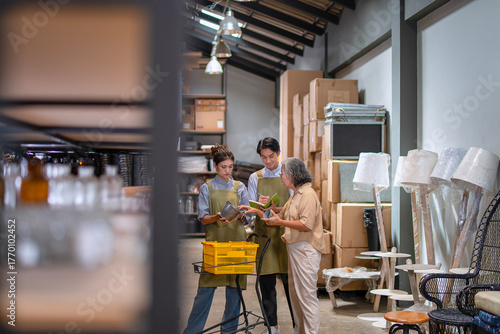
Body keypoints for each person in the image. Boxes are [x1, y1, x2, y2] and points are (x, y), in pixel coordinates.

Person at [240, 157, 325, 334]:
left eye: (283, 173)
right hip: (295, 249)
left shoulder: (307, 194)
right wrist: (267, 208)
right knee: (296, 296)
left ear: (293, 175)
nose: (281, 176)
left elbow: (306, 224)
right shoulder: (296, 194)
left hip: (305, 250)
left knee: (307, 297)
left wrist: (280, 223)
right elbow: (282, 211)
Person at [184, 144, 250, 334]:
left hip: (236, 243)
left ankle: (228, 331)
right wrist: (217, 217)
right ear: (215, 166)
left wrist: (241, 216)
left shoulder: (240, 187)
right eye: (223, 167)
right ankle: (192, 331)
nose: (227, 171)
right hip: (215, 245)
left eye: (230, 167)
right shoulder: (207, 188)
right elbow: (203, 218)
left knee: (234, 290)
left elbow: (248, 216)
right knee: (205, 290)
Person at [247, 137, 294, 334]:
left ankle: (298, 324)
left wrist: (276, 209)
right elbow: (251, 207)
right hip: (264, 235)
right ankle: (272, 326)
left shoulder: (289, 174)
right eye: (263, 157)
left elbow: (296, 207)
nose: (268, 161)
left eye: (271, 156)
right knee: (266, 284)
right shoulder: (255, 178)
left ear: (279, 153)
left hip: (286, 234)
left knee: (291, 284)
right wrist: (260, 207)